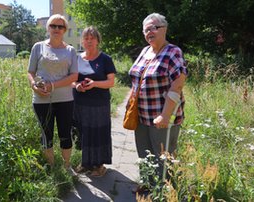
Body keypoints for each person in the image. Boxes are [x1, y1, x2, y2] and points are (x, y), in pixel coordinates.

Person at [128, 13, 188, 192]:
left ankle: (163, 192)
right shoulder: (145, 51)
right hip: (141, 116)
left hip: (162, 118)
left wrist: (165, 115)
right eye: (146, 29)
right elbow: (136, 79)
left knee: (162, 157)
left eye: (154, 27)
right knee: (144, 154)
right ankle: (147, 184)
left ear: (165, 29)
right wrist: (130, 103)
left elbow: (178, 84)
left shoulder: (172, 52)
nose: (150, 32)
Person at [27, 14, 78, 170]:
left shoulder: (70, 50)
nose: (56, 29)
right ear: (48, 28)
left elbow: (74, 76)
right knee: (46, 135)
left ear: (65, 30)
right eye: (53, 26)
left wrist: (53, 86)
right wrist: (34, 85)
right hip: (42, 100)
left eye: (60, 26)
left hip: (65, 99)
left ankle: (67, 167)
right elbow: (30, 72)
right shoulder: (38, 47)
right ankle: (51, 167)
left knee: (65, 134)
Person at [73, 26, 116, 177]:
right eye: (86, 38)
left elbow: (111, 82)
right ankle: (86, 163)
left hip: (99, 105)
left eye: (92, 38)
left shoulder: (105, 59)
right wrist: (77, 85)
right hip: (79, 103)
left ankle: (99, 166)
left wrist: (95, 84)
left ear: (98, 40)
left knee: (98, 133)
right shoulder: (76, 58)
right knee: (83, 133)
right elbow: (71, 80)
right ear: (82, 41)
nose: (89, 41)